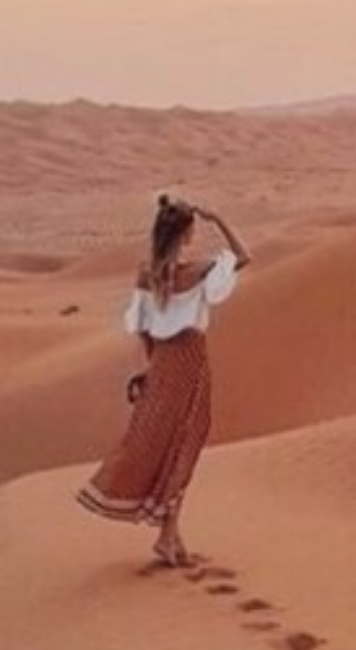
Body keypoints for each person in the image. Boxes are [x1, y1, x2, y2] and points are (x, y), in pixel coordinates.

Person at [75, 193, 251, 567]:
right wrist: (218, 218)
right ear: (185, 234)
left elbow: (143, 330)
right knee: (184, 444)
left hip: (161, 363)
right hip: (190, 361)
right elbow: (243, 256)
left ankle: (170, 533)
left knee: (165, 443)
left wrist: (152, 368)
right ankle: (167, 535)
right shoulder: (199, 271)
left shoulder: (148, 275)